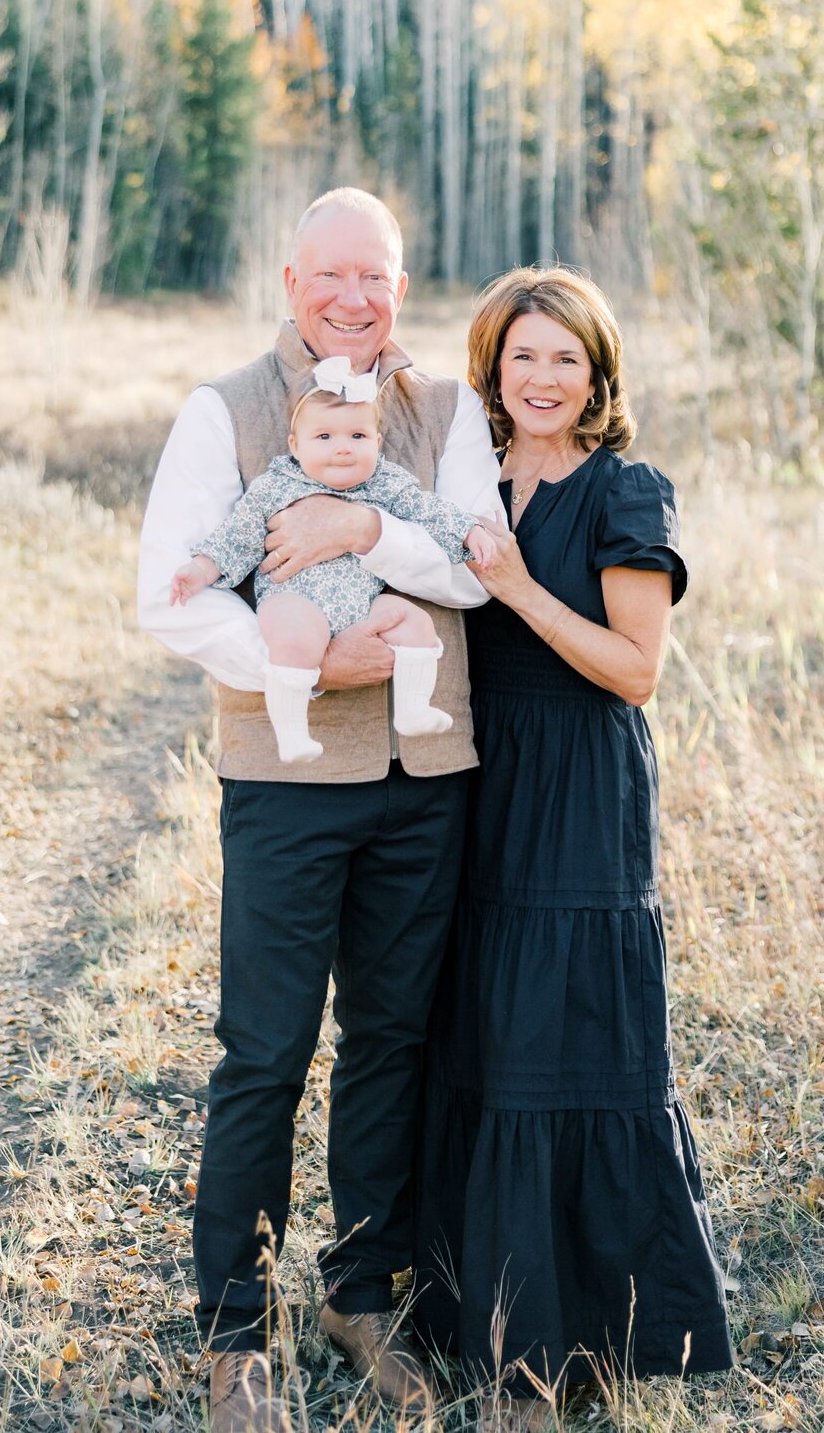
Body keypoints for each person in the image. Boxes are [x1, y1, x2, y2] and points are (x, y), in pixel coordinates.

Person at [137, 188, 502, 1433]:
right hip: (286, 785)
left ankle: (362, 1287)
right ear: (291, 277)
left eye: (381, 277)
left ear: (403, 285)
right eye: (334, 273)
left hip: (422, 787)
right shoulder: (224, 409)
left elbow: (476, 563)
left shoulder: (446, 410)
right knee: (267, 1047)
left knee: (394, 1038)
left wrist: (362, 524)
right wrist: (307, 663)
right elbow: (170, 596)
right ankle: (237, 1325)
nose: (357, 297)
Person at [413, 266, 735, 1427]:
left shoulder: (626, 490)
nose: (542, 377)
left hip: (580, 795)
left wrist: (515, 587)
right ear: (491, 368)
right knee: (486, 1042)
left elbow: (635, 670)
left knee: (567, 1048)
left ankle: (555, 1363)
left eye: (565, 357)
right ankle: (488, 1325)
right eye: (521, 356)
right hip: (475, 779)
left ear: (598, 371)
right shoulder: (468, 476)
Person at [170, 369, 497, 763]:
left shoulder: (383, 482)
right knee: (297, 639)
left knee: (412, 621)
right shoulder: (277, 486)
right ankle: (292, 732)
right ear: (295, 444)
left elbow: (430, 510)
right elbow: (237, 537)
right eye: (324, 437)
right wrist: (201, 570)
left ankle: (413, 709)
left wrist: (469, 531)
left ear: (377, 442)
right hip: (293, 597)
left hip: (360, 607)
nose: (342, 449)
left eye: (357, 437)